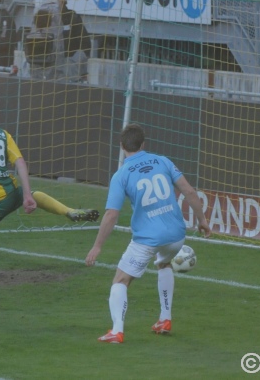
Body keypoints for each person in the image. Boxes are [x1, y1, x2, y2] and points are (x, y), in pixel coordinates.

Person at [0, 98, 100, 324]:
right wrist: (27, 195)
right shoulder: (3, 134)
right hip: (11, 191)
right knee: (33, 195)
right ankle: (69, 211)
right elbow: (20, 162)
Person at [85, 123, 211, 344]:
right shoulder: (163, 161)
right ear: (143, 144)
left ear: (121, 146)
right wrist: (202, 221)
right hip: (176, 234)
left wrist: (97, 246)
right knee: (164, 264)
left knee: (121, 280)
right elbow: (189, 191)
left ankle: (117, 331)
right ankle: (165, 319)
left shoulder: (121, 174)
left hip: (148, 238)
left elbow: (111, 215)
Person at [27, 0, 91, 82]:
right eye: (50, 0)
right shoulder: (40, 18)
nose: (52, 4)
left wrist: (73, 63)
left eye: (56, 1)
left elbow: (85, 45)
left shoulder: (72, 18)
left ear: (63, 1)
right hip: (42, 70)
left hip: (66, 71)